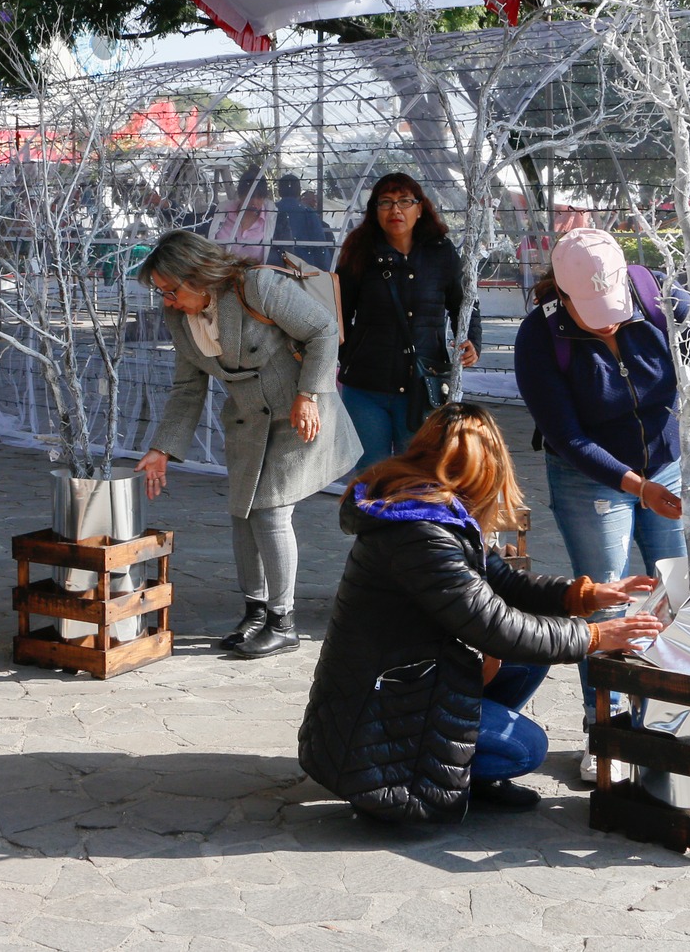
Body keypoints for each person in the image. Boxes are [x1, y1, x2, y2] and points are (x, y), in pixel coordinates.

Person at [299, 403, 663, 822]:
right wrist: (596, 637)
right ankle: (425, 774)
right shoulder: (420, 534)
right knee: (527, 749)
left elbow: (505, 583)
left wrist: (587, 595)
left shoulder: (428, 509)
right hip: (381, 713)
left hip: (407, 678)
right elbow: (496, 627)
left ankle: (460, 759)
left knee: (528, 659)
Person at [514, 228, 690, 782]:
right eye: (594, 312)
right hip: (590, 477)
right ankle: (609, 729)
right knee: (606, 602)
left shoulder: (664, 302)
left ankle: (669, 718)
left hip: (666, 464)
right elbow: (567, 438)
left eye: (614, 306)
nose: (610, 321)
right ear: (565, 296)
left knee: (677, 592)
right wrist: (635, 486)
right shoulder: (540, 336)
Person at [134, 230, 361, 658]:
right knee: (243, 514)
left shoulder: (255, 285)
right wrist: (161, 448)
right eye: (161, 293)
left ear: (197, 276)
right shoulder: (179, 318)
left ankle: (283, 621)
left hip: (300, 413)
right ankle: (255, 612)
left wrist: (309, 395)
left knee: (271, 511)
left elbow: (324, 332)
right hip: (247, 422)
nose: (166, 300)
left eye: (170, 290)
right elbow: (188, 388)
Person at [335, 172, 481, 472]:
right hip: (366, 388)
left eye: (404, 201)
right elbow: (337, 313)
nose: (395, 210)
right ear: (374, 210)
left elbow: (464, 303)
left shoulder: (441, 253)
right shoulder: (359, 252)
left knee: (419, 474)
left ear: (420, 208)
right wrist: (348, 356)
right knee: (371, 476)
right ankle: (375, 521)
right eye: (385, 203)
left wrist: (471, 341)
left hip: (422, 384)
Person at [269, 173, 335, 270]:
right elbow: (320, 247)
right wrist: (325, 271)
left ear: (279, 191)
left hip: (274, 267)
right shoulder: (308, 213)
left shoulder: (270, 211)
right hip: (303, 268)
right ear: (299, 191)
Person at [211, 165, 273, 259]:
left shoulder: (274, 221)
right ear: (240, 195)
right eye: (250, 197)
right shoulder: (221, 214)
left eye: (259, 197)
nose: (254, 202)